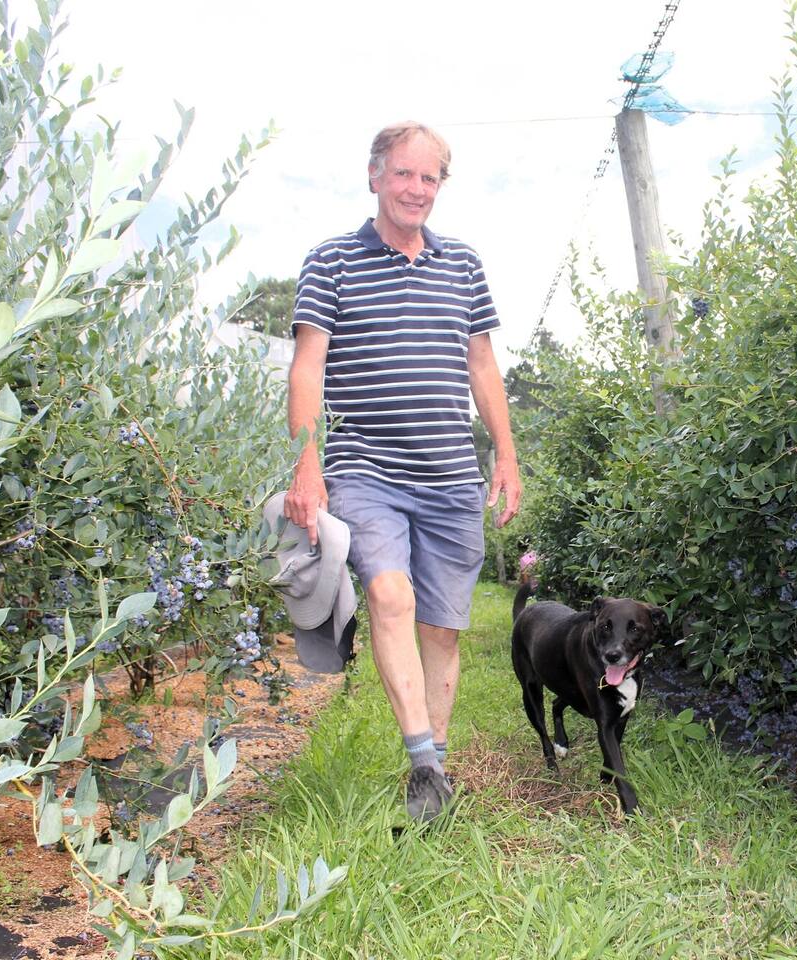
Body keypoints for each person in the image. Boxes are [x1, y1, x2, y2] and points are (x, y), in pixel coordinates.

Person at [283, 121, 521, 822]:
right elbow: (308, 364)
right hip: (365, 470)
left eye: (429, 177)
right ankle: (421, 763)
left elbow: (482, 364)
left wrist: (505, 454)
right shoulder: (330, 262)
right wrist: (307, 462)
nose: (416, 189)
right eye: (404, 174)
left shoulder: (464, 265)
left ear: (440, 186)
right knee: (390, 598)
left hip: (450, 473)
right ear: (375, 175)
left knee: (444, 628)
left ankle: (437, 771)